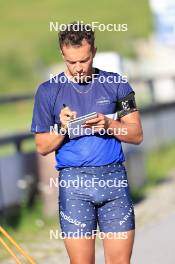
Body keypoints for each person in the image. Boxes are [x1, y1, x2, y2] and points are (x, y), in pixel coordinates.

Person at [31, 21, 143, 264]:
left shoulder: (117, 84)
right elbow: (41, 146)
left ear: (94, 51)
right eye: (71, 62)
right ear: (62, 53)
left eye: (84, 60)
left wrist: (109, 125)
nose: (79, 68)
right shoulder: (47, 91)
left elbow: (136, 134)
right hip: (74, 185)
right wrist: (63, 128)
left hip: (114, 181)